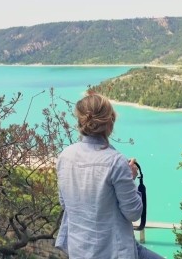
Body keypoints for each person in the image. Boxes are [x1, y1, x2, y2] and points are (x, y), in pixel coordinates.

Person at [55, 92, 163, 259]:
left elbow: (65, 203)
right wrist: (130, 178)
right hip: (113, 250)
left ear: (80, 122)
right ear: (110, 122)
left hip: (78, 249)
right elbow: (133, 213)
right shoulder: (115, 162)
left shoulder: (65, 156)